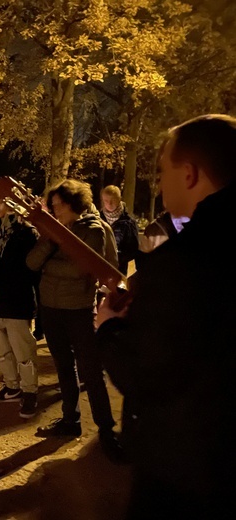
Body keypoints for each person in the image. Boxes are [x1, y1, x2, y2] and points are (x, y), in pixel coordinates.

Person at [96, 114, 236, 518]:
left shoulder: (185, 260)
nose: (158, 184)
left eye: (162, 172)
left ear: (189, 173)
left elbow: (148, 374)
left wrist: (109, 327)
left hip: (190, 467)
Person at [25, 179, 120, 457]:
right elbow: (32, 262)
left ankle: (106, 431)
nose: (54, 213)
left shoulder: (94, 229)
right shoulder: (53, 230)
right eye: (52, 208)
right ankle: (70, 421)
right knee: (64, 367)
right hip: (50, 308)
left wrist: (51, 260)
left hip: (78, 309)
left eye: (58, 207)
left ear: (72, 204)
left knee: (90, 372)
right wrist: (52, 239)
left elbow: (80, 270)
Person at [0, 194, 39, 419]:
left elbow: (26, 272)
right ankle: (11, 385)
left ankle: (30, 390)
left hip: (16, 302)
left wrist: (0, 292)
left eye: (1, 202)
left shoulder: (26, 235)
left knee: (23, 350)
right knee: (2, 350)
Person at [99, 185, 139, 275]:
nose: (109, 204)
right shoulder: (98, 219)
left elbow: (133, 249)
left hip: (119, 270)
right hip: (100, 268)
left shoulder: (128, 222)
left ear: (119, 199)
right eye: (106, 201)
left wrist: (117, 257)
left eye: (112, 200)